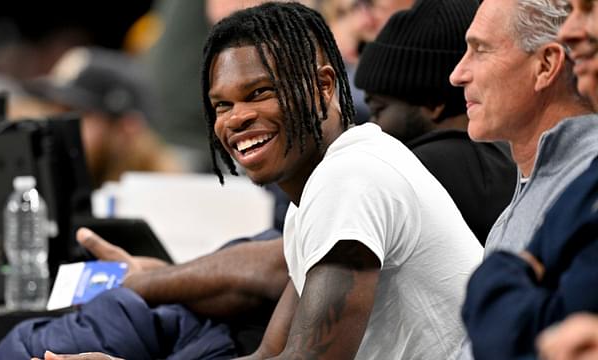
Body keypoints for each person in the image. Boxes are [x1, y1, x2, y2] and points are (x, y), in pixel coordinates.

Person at [37, 2, 482, 359]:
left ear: (324, 86)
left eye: (259, 93)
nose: (237, 119)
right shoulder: (318, 190)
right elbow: (270, 353)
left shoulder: (352, 178)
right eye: (222, 105)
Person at [447, 0, 598, 358]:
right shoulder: (538, 181)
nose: (457, 74)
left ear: (545, 65)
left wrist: (496, 282)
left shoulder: (583, 180)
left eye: (480, 50)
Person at [354, 0, 515, 243]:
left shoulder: (407, 171)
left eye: (379, 109)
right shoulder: (516, 160)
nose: (372, 125)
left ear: (433, 103)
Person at [26, 46, 185, 188]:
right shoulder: (46, 184)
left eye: (74, 115)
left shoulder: (168, 196)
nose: (56, 126)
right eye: (56, 111)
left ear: (127, 128)